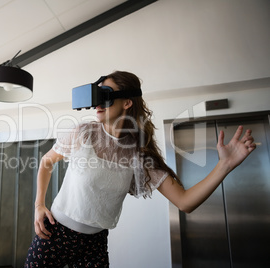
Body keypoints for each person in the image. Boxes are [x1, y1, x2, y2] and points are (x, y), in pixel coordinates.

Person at [24, 71, 256, 268]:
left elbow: (185, 202)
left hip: (94, 245)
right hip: (56, 234)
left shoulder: (139, 154)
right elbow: (47, 161)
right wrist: (39, 205)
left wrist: (224, 165)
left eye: (104, 95)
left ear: (127, 102)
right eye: (97, 95)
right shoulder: (84, 132)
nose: (97, 103)